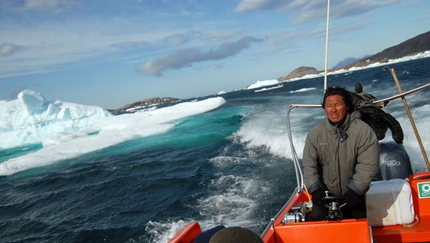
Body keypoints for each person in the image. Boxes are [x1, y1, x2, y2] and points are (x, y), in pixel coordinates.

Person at [302, 86, 380, 220]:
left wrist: (356, 190)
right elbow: (309, 166)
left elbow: (368, 165)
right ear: (324, 109)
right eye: (329, 106)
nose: (333, 110)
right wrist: (315, 189)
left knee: (359, 225)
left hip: (354, 194)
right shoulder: (315, 135)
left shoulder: (362, 131)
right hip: (325, 196)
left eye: (337, 105)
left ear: (347, 106)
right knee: (317, 221)